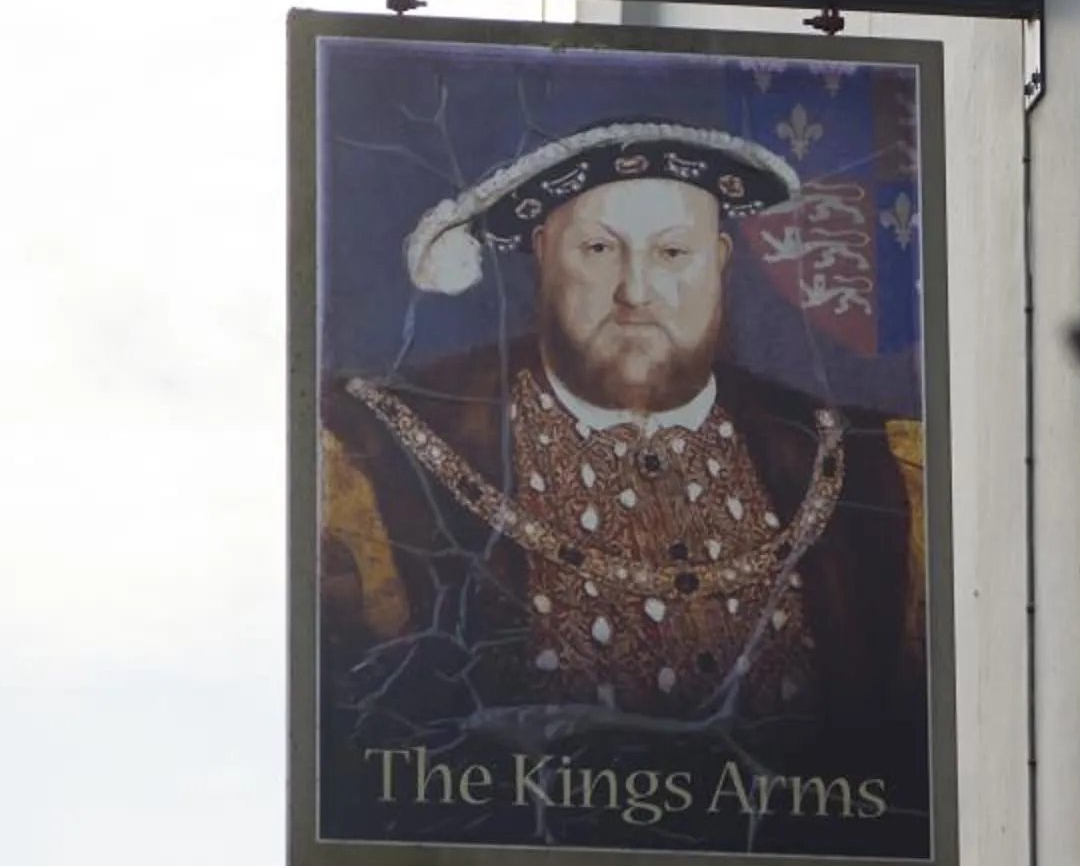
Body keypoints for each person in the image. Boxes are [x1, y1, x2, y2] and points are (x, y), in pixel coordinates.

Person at [317, 119, 928, 812]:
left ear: (721, 262)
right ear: (543, 256)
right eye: (600, 249)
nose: (636, 291)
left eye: (673, 252)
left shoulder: (876, 469)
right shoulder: (375, 461)